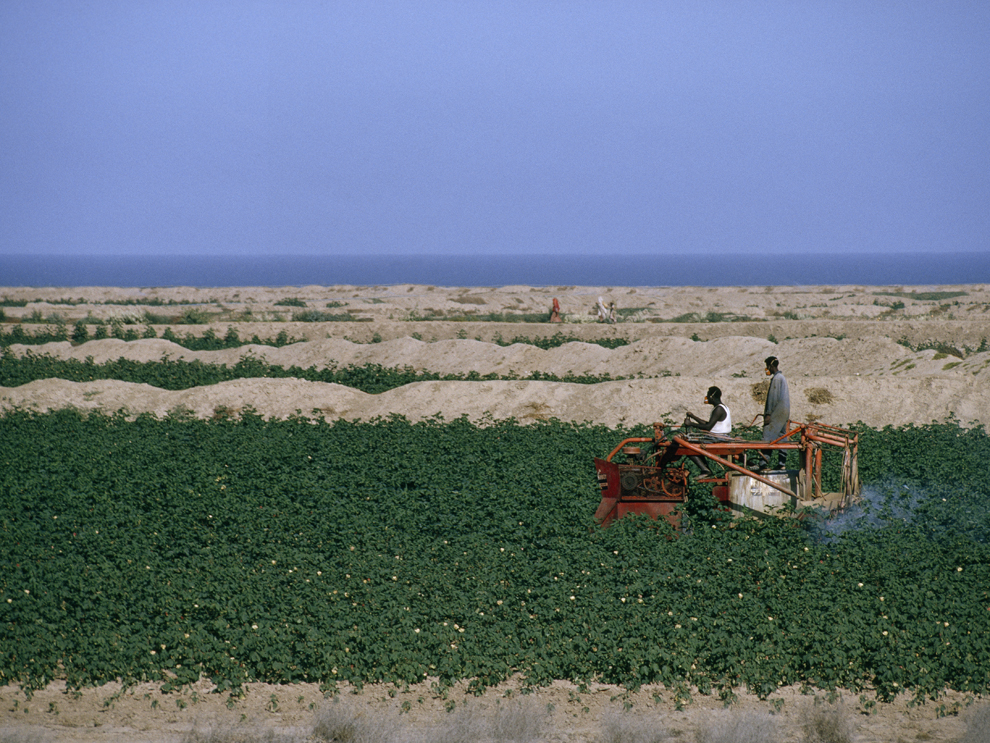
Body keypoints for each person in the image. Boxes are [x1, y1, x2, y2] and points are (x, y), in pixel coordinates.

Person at [680, 386, 731, 476]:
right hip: (717, 436)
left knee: (688, 446)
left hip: (718, 438)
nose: (706, 397)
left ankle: (705, 470)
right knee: (691, 443)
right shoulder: (721, 407)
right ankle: (705, 469)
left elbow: (707, 427)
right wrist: (693, 416)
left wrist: (691, 424)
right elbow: (708, 423)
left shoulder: (719, 409)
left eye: (707, 395)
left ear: (712, 397)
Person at [760, 356, 790, 469]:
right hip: (784, 411)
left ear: (771, 366)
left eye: (766, 366)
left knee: (768, 434)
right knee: (782, 436)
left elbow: (773, 398)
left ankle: (763, 463)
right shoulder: (782, 378)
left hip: (777, 411)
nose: (766, 369)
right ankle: (782, 463)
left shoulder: (777, 379)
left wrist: (768, 414)